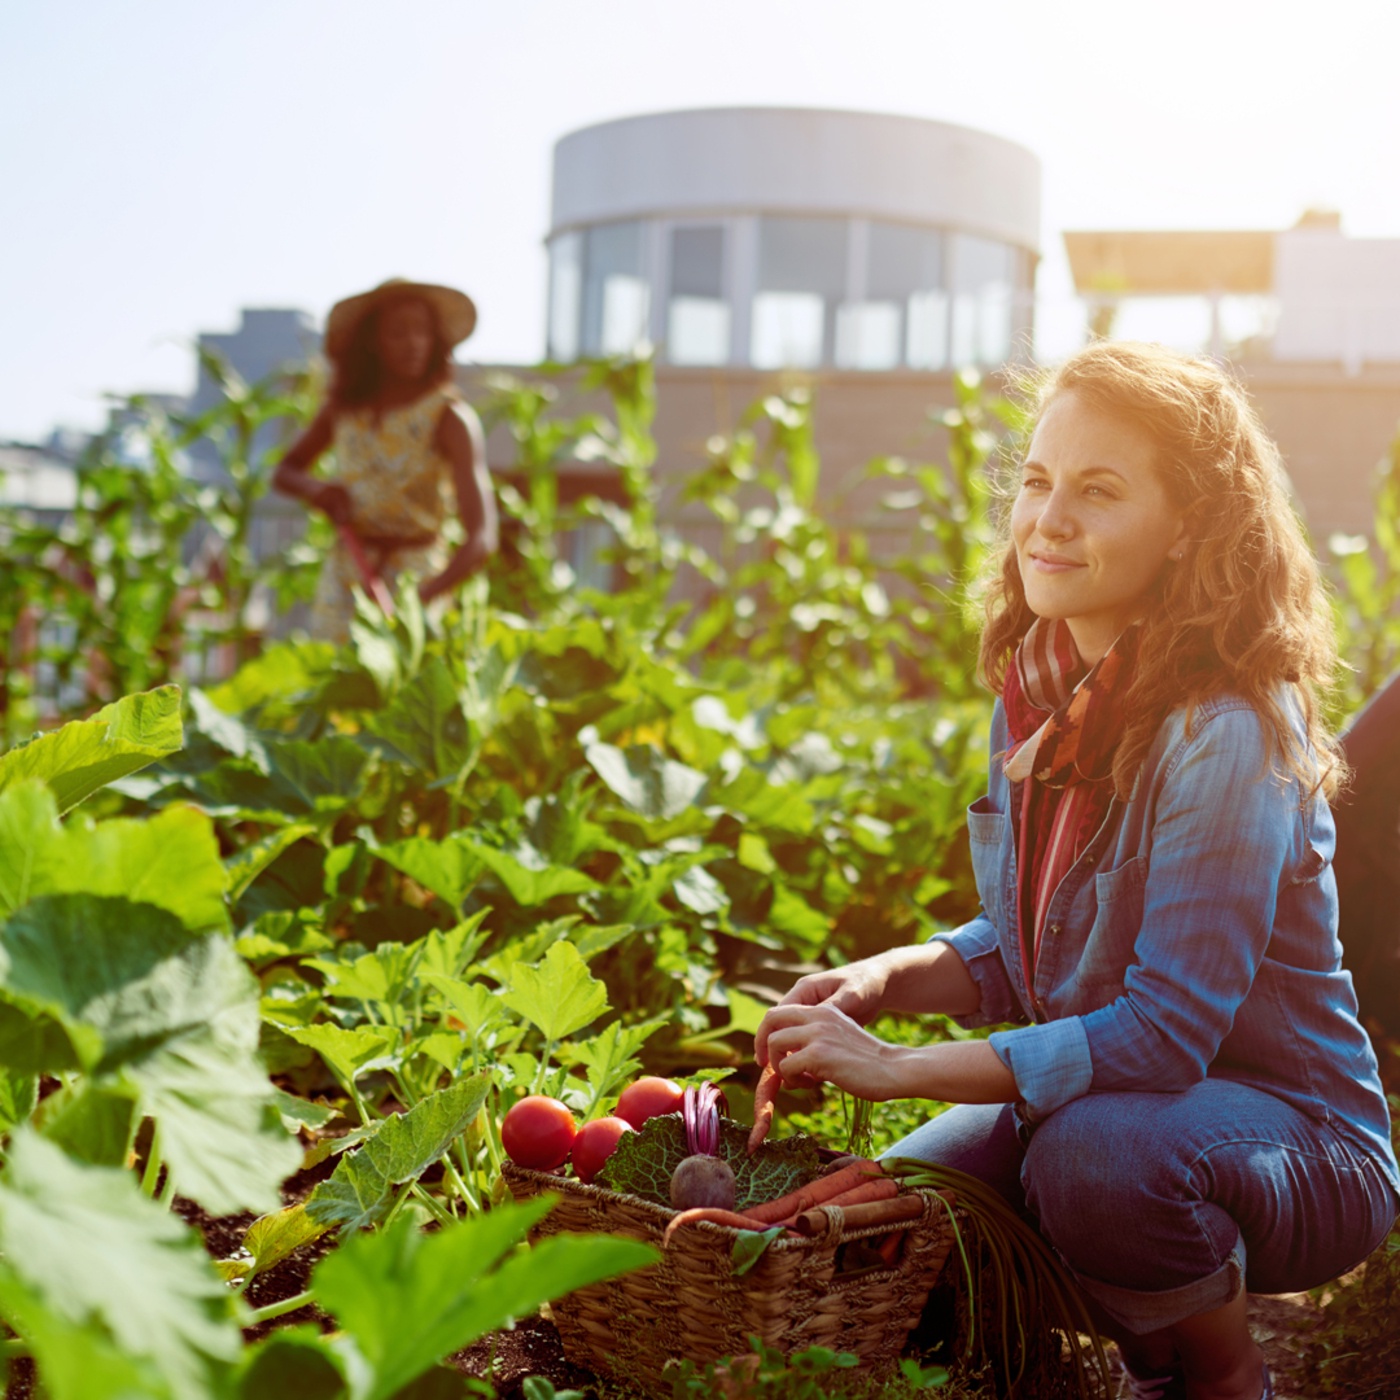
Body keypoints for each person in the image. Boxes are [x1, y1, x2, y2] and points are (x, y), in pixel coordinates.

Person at [754, 342, 1399, 1400]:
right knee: (909, 1204)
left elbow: (1158, 1035)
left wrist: (896, 1064)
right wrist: (881, 978)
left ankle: (1217, 1376)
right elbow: (1024, 942)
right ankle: (1124, 1338)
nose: (1048, 518)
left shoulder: (1225, 728)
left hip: (1298, 1143)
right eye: (1037, 481)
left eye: (1097, 491)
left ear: (1188, 524)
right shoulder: (1048, 690)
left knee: (1091, 1160)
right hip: (1129, 1105)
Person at [273, 278, 499, 640]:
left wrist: (425, 597)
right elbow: (285, 472)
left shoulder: (449, 417)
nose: (413, 343)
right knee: (333, 686)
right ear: (373, 344)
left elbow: (482, 539)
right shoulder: (343, 411)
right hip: (347, 575)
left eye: (422, 332)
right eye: (397, 333)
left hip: (418, 580)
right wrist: (319, 492)